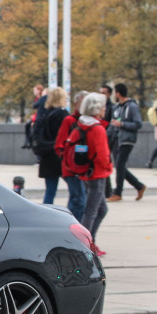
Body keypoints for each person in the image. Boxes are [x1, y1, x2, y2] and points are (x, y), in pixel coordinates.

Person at [68, 92, 112, 254]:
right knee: (92, 211)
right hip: (98, 174)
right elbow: (102, 154)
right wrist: (108, 167)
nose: (104, 110)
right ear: (97, 109)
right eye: (103, 107)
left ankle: (90, 241)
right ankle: (84, 245)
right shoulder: (97, 128)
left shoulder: (82, 124)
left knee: (99, 209)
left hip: (87, 172)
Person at [107, 83, 146, 201]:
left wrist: (122, 124)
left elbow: (138, 123)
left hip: (127, 140)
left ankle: (118, 193)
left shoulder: (132, 106)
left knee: (119, 165)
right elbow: (112, 124)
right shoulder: (116, 107)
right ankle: (139, 186)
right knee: (120, 166)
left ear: (118, 93)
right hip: (116, 139)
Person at [55, 90, 89, 222]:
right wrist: (69, 161)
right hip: (72, 168)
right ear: (77, 103)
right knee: (79, 199)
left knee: (78, 199)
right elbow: (59, 145)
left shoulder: (87, 122)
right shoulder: (70, 120)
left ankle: (73, 225)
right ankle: (72, 226)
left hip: (82, 168)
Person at [34, 87, 68, 204]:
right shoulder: (62, 114)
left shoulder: (45, 114)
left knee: (50, 191)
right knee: (78, 189)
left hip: (46, 155)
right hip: (58, 156)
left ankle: (45, 213)